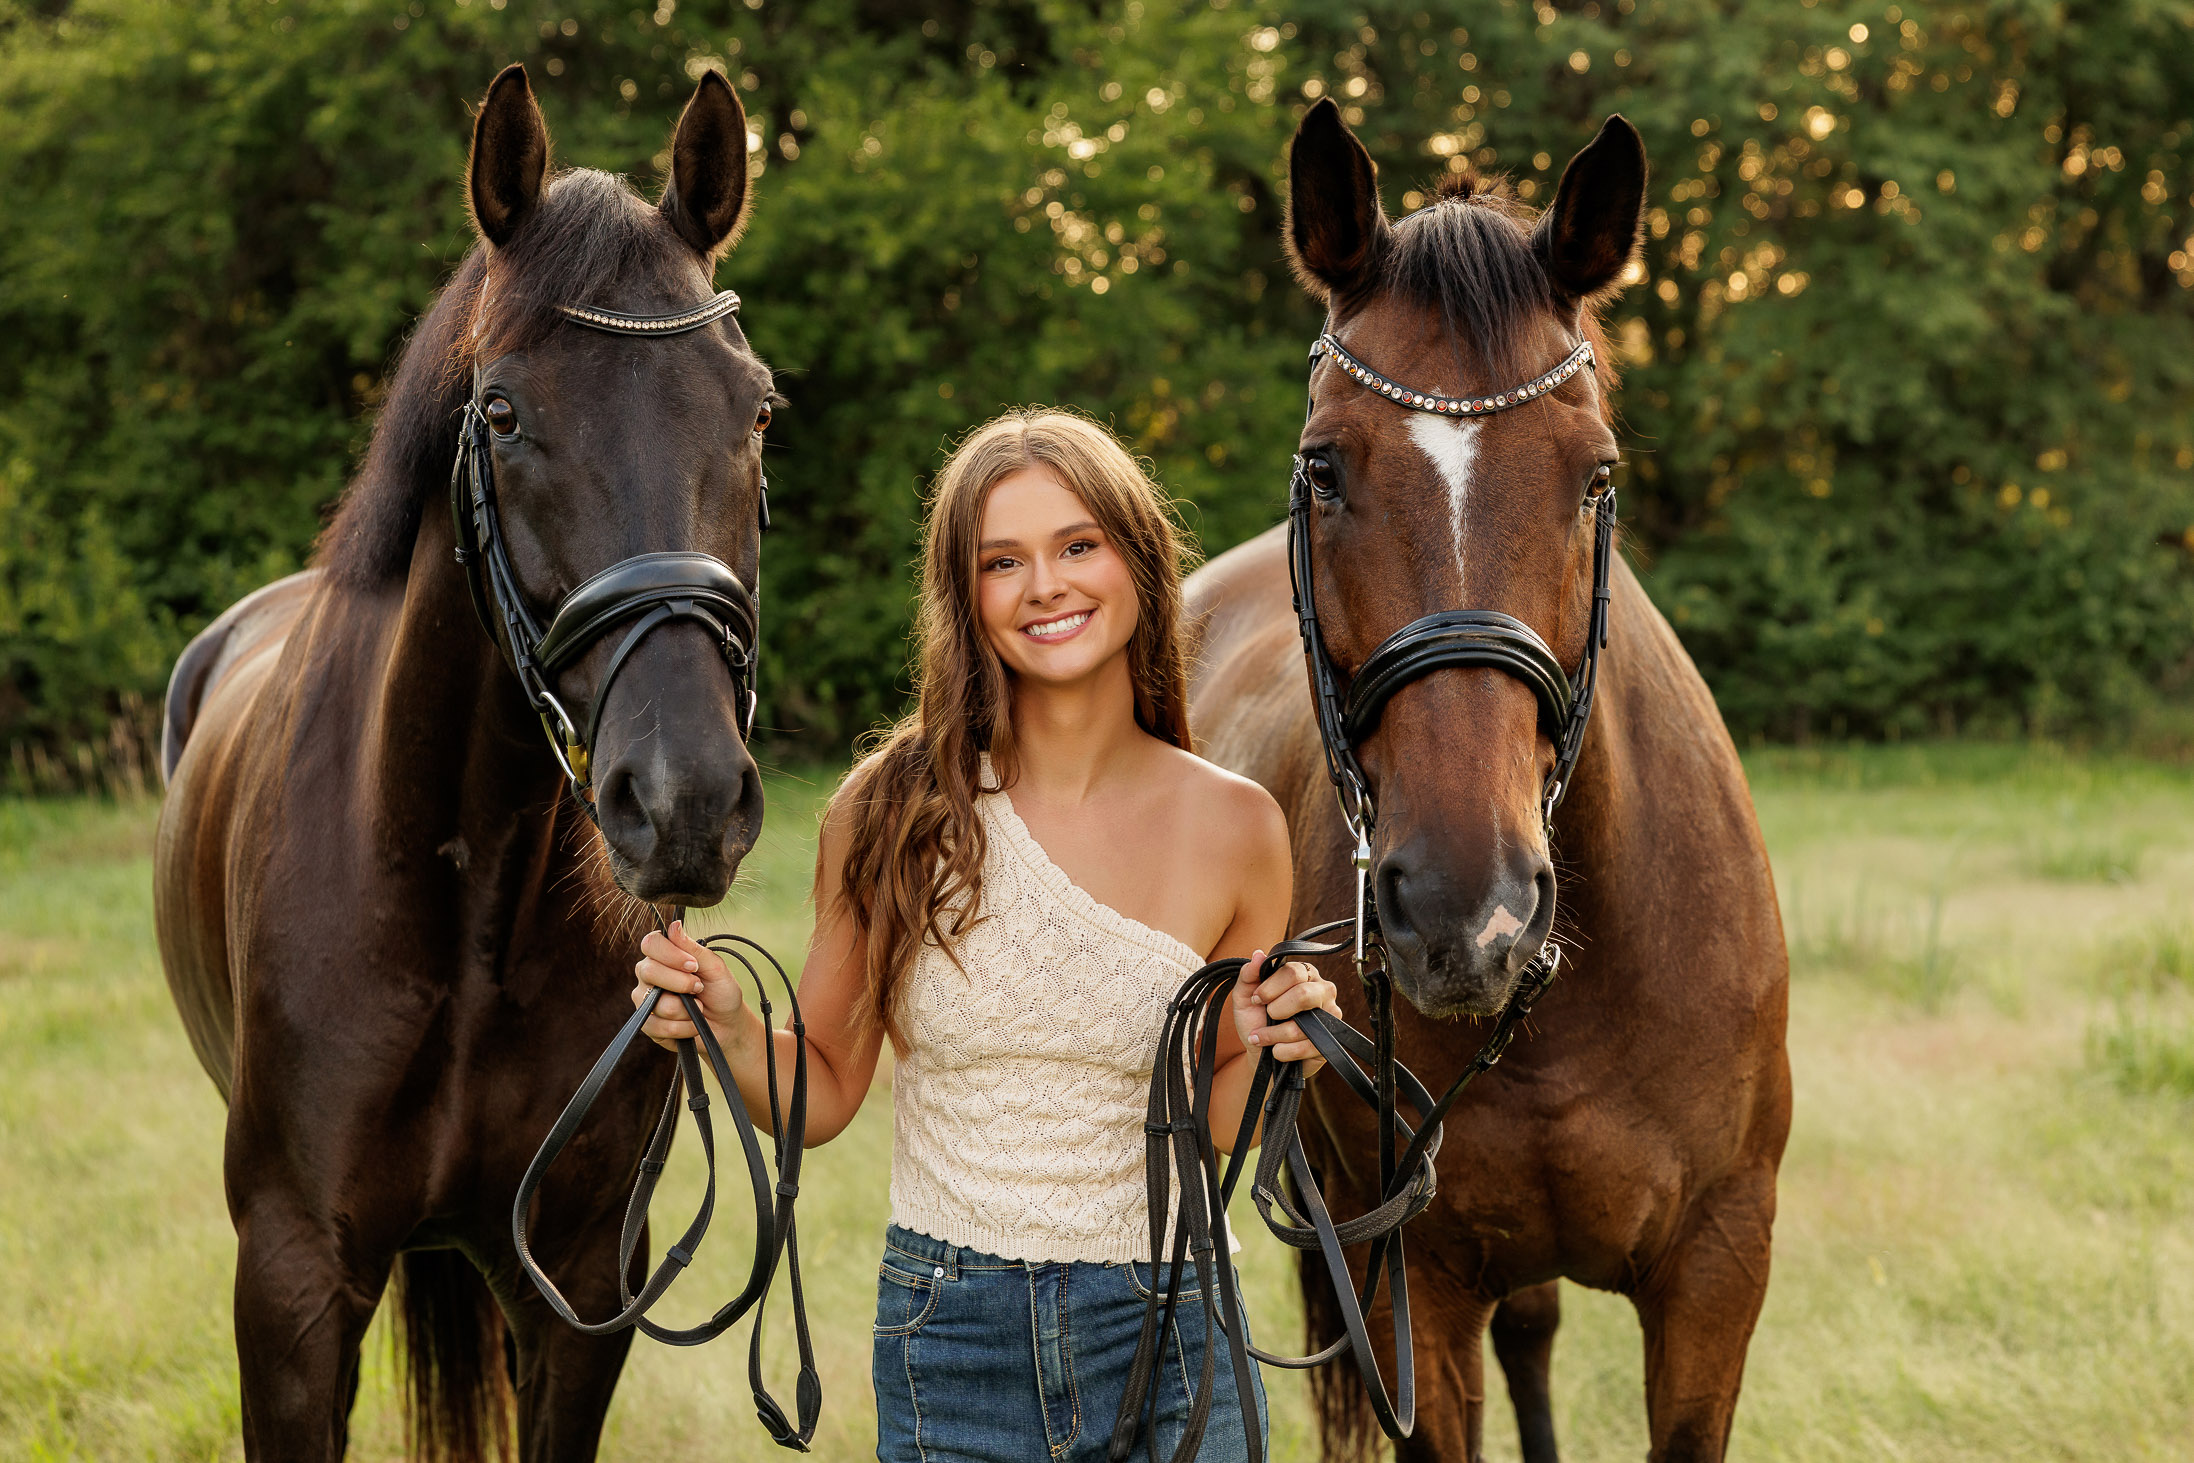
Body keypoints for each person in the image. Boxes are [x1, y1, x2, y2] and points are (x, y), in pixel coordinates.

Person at [630, 407, 1341, 1462]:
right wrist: (732, 1029)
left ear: (1139, 561)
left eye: (1077, 545)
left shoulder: (1237, 825)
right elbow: (821, 1089)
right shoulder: (886, 811)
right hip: (950, 1330)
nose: (1045, 585)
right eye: (1001, 561)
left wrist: (1280, 1044)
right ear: (964, 597)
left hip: (1176, 1322)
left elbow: (1222, 1118)